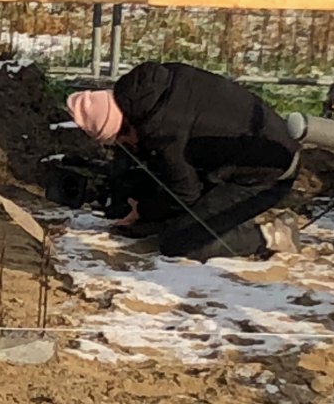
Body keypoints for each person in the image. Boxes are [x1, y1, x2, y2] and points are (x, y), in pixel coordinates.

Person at [66, 61, 302, 262]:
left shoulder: (164, 130)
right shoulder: (156, 85)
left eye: (122, 142)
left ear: (124, 128)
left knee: (180, 243)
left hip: (268, 175)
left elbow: (185, 193)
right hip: (263, 144)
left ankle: (272, 235)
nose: (127, 147)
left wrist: (144, 211)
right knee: (166, 198)